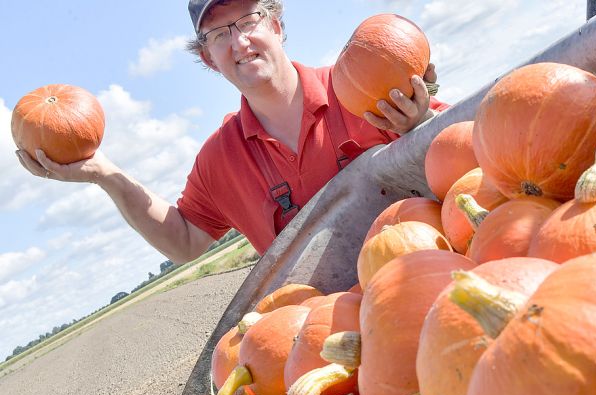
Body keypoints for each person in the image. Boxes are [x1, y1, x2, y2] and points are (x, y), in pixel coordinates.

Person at [14, 0, 445, 262]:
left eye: (248, 21)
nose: (238, 42)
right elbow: (185, 241)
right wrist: (105, 175)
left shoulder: (361, 85)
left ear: (275, 25)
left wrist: (422, 127)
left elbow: (466, 146)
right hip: (326, 329)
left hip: (431, 263)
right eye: (220, 34)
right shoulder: (221, 160)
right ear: (207, 58)